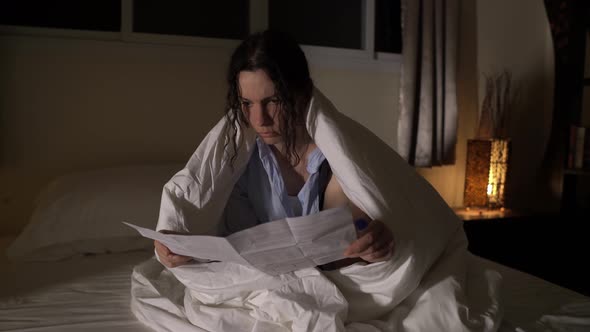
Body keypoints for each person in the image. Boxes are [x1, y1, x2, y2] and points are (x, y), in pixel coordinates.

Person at [154, 29, 394, 269]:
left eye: (273, 101)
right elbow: (229, 238)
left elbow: (350, 243)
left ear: (302, 93)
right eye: (247, 103)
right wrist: (171, 243)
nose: (259, 120)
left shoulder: (336, 162)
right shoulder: (241, 161)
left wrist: (371, 247)